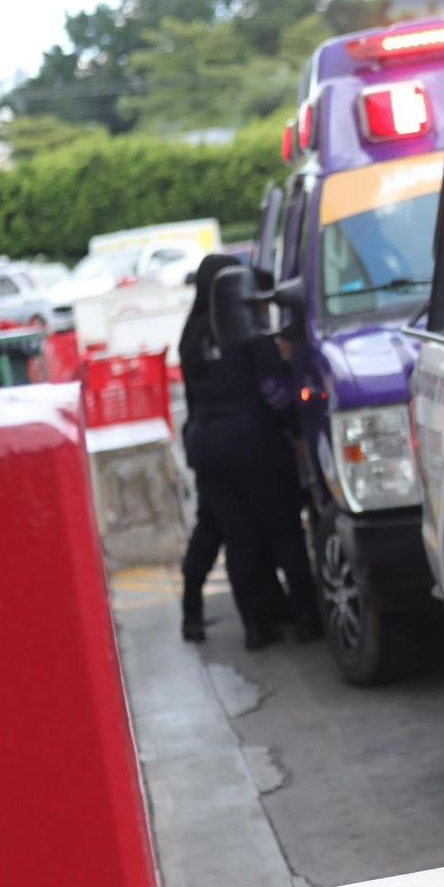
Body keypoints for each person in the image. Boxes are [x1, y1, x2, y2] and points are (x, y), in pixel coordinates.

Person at [178, 254, 319, 649]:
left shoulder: (190, 337)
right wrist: (296, 426)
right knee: (284, 530)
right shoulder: (246, 331)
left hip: (208, 448)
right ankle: (307, 617)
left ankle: (256, 628)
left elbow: (192, 399)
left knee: (237, 539)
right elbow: (274, 393)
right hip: (255, 444)